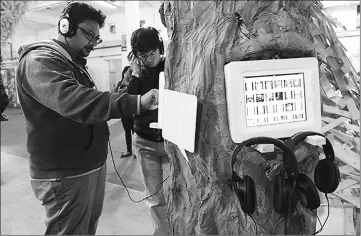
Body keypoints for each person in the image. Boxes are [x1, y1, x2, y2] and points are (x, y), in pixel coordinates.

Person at [15, 2, 158, 235]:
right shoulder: (40, 61)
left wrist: (133, 76)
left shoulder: (72, 63)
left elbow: (97, 101)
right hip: (64, 171)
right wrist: (136, 103)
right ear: (66, 27)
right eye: (89, 34)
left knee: (85, 229)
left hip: (86, 165)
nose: (92, 42)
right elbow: (75, 100)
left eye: (96, 38)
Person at [121, 27, 170, 235]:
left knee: (175, 191)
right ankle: (162, 232)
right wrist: (135, 72)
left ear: (160, 49)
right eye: (143, 55)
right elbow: (127, 103)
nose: (150, 59)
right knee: (155, 196)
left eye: (153, 53)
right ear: (135, 55)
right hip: (145, 144)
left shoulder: (172, 68)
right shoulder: (133, 74)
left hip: (170, 143)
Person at [114, 65, 135, 158]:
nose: (127, 74)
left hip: (134, 112)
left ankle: (136, 151)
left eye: (129, 72)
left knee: (136, 132)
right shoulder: (120, 84)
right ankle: (129, 150)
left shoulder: (135, 83)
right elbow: (115, 94)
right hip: (125, 112)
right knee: (127, 131)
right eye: (125, 72)